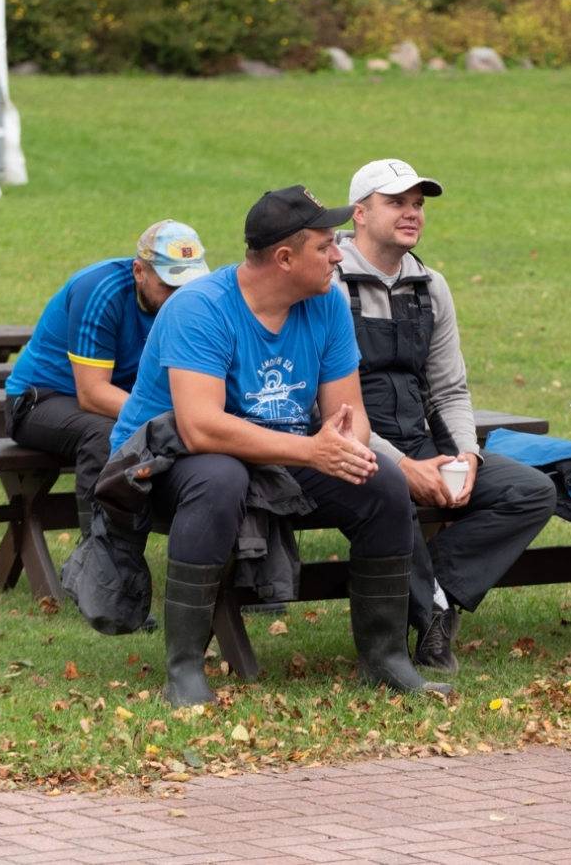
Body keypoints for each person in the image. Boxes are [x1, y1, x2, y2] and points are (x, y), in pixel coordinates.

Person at [108, 186, 449, 706]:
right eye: (324, 247)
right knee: (220, 476)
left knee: (379, 478)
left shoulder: (328, 301)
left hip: (281, 452)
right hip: (162, 462)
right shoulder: (200, 309)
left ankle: (385, 660)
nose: (339, 255)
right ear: (285, 258)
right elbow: (200, 428)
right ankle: (183, 671)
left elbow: (347, 418)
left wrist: (344, 448)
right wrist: (314, 451)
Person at [338, 159, 557, 675]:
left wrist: (465, 455)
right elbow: (332, 409)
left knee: (532, 491)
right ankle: (431, 618)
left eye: (417, 204)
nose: (412, 213)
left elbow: (450, 389)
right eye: (397, 203)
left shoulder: (431, 286)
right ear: (360, 214)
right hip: (353, 451)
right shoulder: (328, 284)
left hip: (423, 444)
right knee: (393, 494)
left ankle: (436, 592)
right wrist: (401, 467)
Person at [5, 220, 209, 534]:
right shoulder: (99, 289)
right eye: (169, 285)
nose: (179, 296)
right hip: (40, 399)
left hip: (124, 399)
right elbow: (92, 394)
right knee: (107, 434)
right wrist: (181, 421)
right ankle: (99, 554)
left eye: (188, 285)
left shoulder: (197, 301)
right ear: (140, 271)